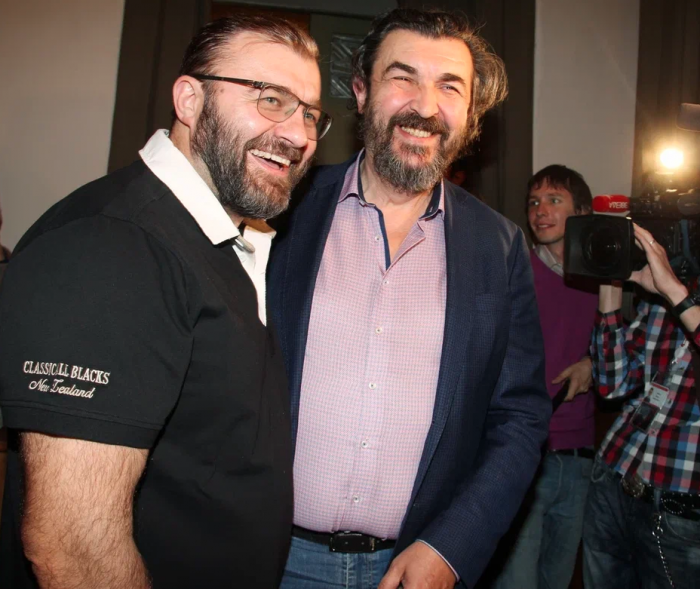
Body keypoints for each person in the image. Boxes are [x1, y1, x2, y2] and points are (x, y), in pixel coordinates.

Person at [0, 15, 329, 589]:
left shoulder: (225, 240)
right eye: (271, 99)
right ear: (189, 100)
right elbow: (73, 545)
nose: (298, 135)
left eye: (309, 114)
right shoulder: (112, 248)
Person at [268, 9, 551, 589]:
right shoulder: (281, 211)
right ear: (361, 90)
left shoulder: (499, 247)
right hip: (269, 558)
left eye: (450, 87)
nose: (425, 106)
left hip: (413, 568)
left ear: (470, 114)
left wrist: (452, 548)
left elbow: (520, 418)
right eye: (403, 78)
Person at [487, 165, 598, 589]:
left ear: (582, 212)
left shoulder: (606, 278)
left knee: (559, 579)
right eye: (534, 202)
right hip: (525, 452)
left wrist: (593, 363)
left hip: (581, 456)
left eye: (554, 200)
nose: (540, 210)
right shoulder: (515, 270)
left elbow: (631, 351)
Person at [583, 223, 700, 589]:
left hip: (680, 505)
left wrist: (677, 295)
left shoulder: (676, 294)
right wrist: (610, 281)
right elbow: (612, 383)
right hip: (613, 478)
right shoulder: (667, 298)